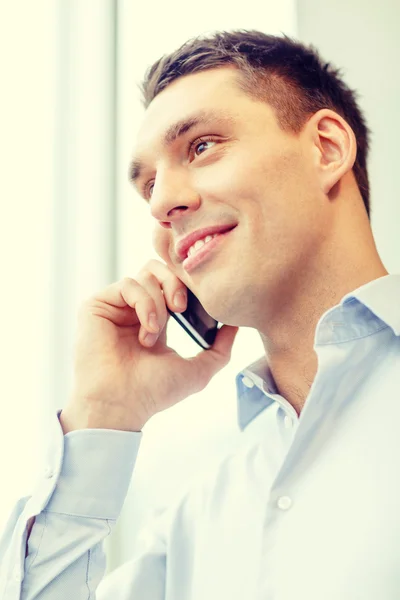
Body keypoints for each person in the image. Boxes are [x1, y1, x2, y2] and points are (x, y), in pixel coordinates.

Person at [1, 29, 399, 599]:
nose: (163, 202)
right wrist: (100, 413)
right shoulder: (193, 514)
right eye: (149, 187)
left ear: (327, 149)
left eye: (202, 146)